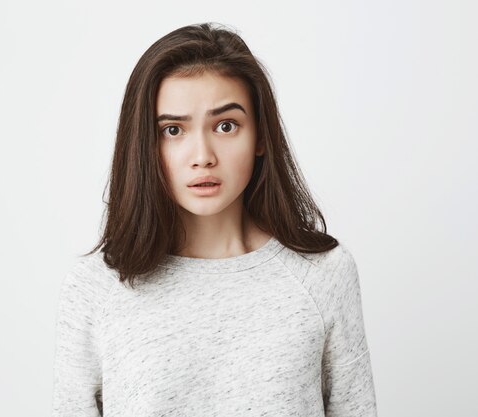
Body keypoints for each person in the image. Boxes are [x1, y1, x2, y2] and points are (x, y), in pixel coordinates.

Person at [52, 22, 377, 417]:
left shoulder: (323, 274)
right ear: (144, 146)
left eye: (226, 126)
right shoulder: (96, 289)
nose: (202, 155)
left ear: (260, 136)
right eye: (173, 130)